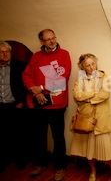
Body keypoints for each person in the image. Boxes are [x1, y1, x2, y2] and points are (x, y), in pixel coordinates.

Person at [22, 29, 71, 181]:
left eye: (53, 38)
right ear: (42, 41)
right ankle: (41, 163)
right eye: (48, 39)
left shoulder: (64, 54)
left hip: (56, 104)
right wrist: (34, 91)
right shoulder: (36, 56)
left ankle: (60, 166)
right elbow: (26, 75)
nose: (52, 41)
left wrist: (41, 89)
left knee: (58, 137)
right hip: (38, 102)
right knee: (39, 135)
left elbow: (63, 77)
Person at [70, 53, 111, 181]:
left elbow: (104, 95)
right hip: (85, 119)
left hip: (100, 118)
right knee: (88, 150)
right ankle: (93, 172)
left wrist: (88, 99)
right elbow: (77, 96)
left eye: (93, 63)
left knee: (107, 149)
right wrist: (93, 93)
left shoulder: (103, 77)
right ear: (82, 67)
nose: (92, 67)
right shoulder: (80, 79)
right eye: (88, 65)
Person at [0, 41, 29, 171]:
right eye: (2, 52)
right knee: (3, 135)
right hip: (1, 106)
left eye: (8, 51)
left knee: (19, 134)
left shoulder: (20, 66)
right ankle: (5, 159)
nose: (6, 54)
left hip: (15, 105)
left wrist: (22, 102)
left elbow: (27, 85)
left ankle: (21, 160)